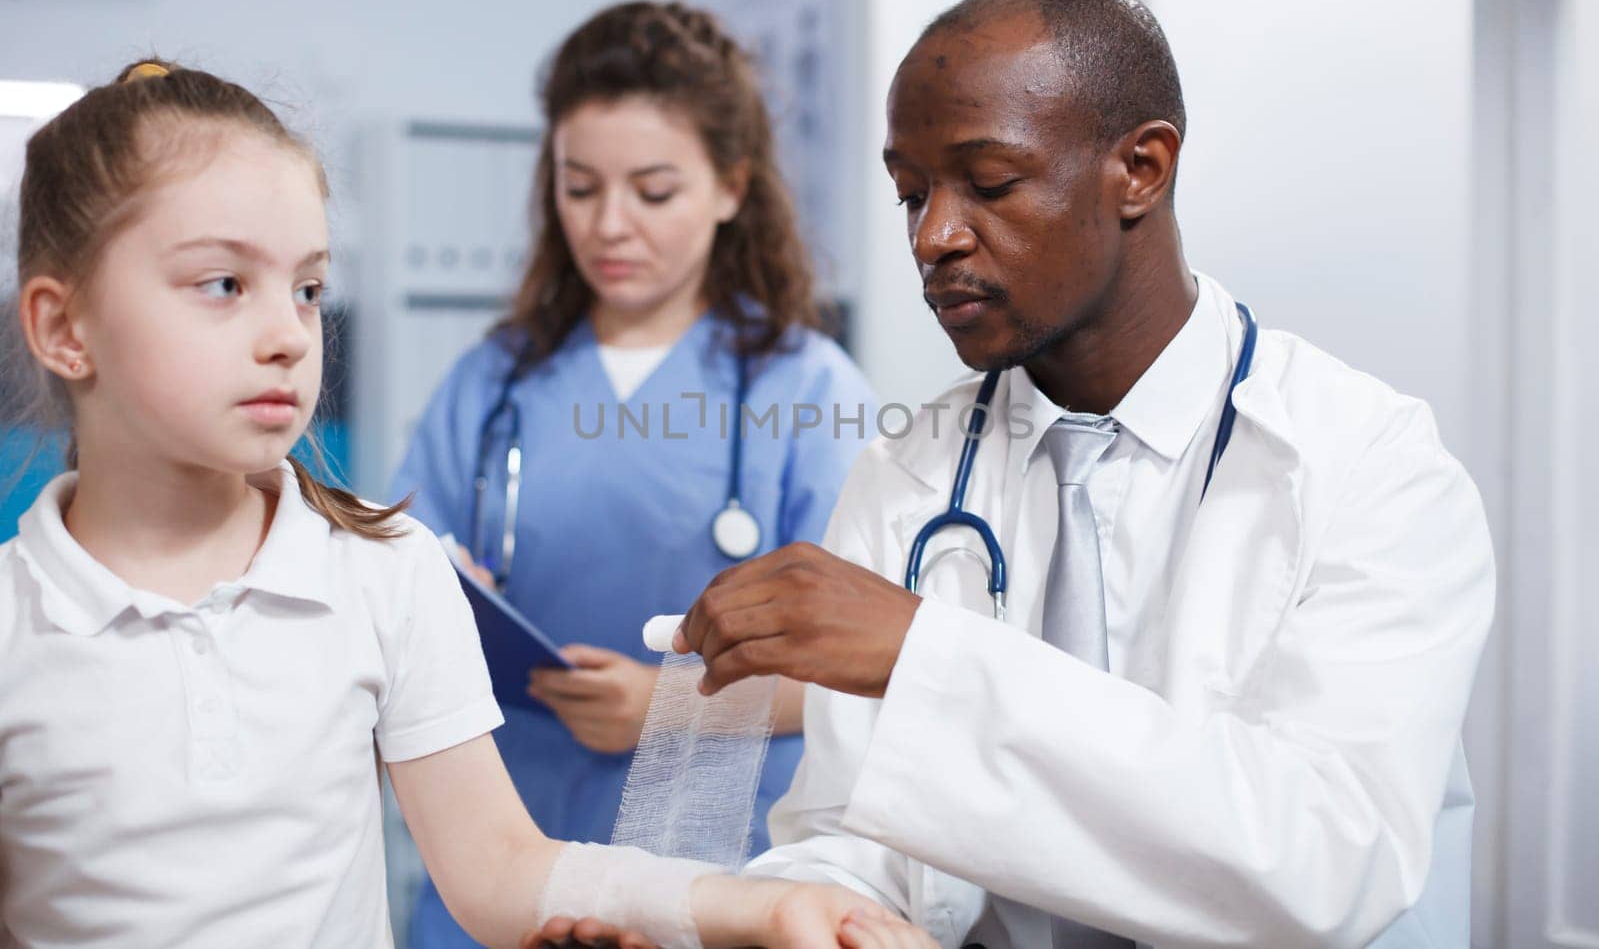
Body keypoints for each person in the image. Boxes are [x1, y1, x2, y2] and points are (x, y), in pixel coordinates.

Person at [0, 57, 928, 949]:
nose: (288, 333)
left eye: (311, 289)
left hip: (691, 844)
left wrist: (760, 902)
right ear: (61, 327)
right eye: (223, 284)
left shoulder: (378, 570)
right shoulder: (19, 628)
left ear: (729, 188)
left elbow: (500, 865)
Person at [671, 0, 1496, 947]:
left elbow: (1329, 863)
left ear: (1140, 169)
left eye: (987, 184)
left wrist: (925, 655)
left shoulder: (1368, 464)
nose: (933, 235)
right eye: (910, 193)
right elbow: (847, 836)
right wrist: (776, 909)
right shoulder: (910, 471)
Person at [390, 0, 877, 949]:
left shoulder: (809, 390)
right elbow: (398, 583)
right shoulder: (493, 382)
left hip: (713, 878)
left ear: (732, 186)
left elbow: (868, 675)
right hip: (498, 877)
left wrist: (672, 711)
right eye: (580, 188)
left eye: (653, 192)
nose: (610, 225)